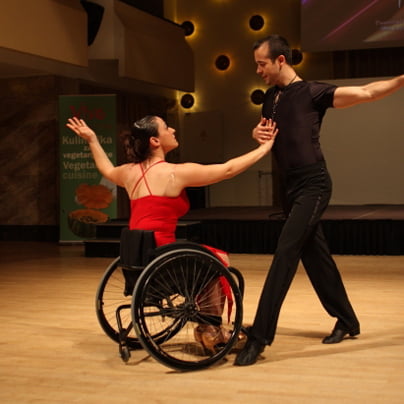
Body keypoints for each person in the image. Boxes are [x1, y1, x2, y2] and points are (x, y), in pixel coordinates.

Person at [234, 34, 404, 366]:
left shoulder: (312, 92)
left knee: (286, 252)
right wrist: (256, 133)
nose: (258, 70)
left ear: (280, 60)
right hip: (289, 188)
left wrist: (400, 79)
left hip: (314, 185)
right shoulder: (269, 97)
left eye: (262, 64)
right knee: (316, 258)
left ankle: (260, 337)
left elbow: (367, 92)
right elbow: (265, 132)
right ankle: (347, 320)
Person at [66, 114, 277, 353]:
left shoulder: (128, 173)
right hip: (165, 261)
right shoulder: (174, 173)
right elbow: (227, 170)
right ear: (155, 141)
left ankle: (208, 327)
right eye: (167, 127)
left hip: (140, 258)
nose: (173, 130)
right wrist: (264, 149)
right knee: (215, 261)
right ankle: (210, 330)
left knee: (204, 259)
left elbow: (106, 169)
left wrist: (92, 139)